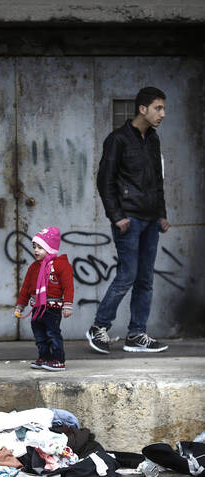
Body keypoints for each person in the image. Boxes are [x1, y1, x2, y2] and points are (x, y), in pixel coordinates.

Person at [86, 87, 170, 354]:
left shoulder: (153, 140)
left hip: (150, 220)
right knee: (127, 275)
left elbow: (158, 180)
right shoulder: (118, 140)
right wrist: (117, 216)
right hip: (129, 220)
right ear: (142, 109)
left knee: (145, 278)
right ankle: (98, 327)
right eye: (158, 108)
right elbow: (104, 181)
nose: (163, 114)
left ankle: (136, 334)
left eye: (163, 108)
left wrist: (162, 214)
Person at [14, 227, 74, 371]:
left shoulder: (61, 265)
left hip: (52, 308)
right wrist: (20, 306)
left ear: (51, 247)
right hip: (37, 308)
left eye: (40, 247)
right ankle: (45, 358)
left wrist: (67, 305)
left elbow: (68, 286)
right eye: (34, 247)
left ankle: (58, 360)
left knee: (52, 333)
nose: (36, 250)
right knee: (40, 335)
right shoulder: (34, 267)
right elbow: (26, 288)